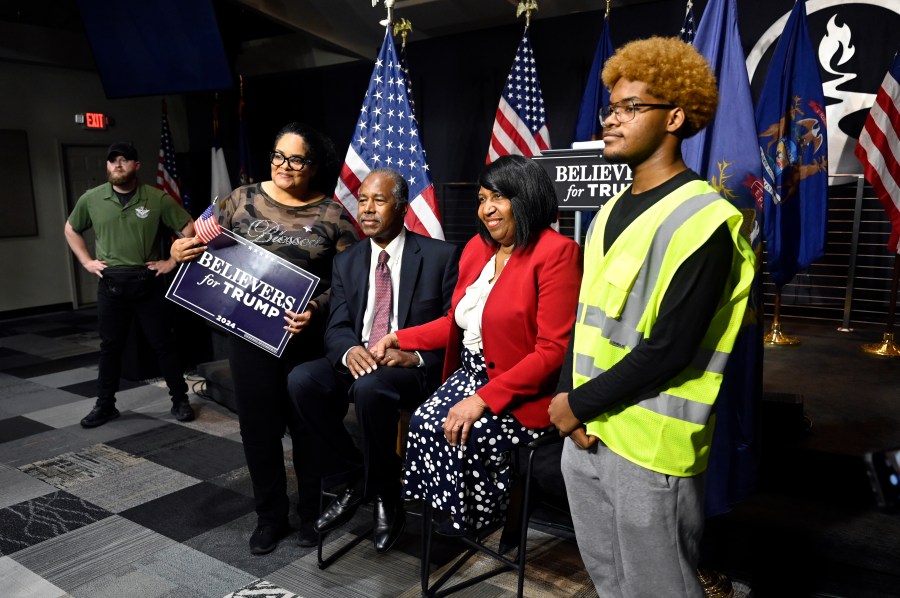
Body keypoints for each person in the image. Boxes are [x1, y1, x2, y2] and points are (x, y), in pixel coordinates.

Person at [548, 37, 756, 597]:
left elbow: (671, 348)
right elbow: (587, 319)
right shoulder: (610, 209)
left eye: (630, 107)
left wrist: (574, 405)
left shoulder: (707, 219)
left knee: (659, 589)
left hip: (650, 448)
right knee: (609, 583)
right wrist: (574, 410)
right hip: (588, 436)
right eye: (610, 108)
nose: (612, 120)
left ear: (676, 116)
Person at [171, 122, 359, 555]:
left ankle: (313, 514)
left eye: (296, 159)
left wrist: (316, 308)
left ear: (313, 166)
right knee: (259, 431)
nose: (284, 166)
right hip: (249, 337)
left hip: (304, 342)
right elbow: (192, 240)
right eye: (278, 156)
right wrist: (179, 250)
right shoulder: (240, 200)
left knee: (306, 429)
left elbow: (350, 285)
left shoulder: (333, 215)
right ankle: (270, 517)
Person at [372, 155, 582, 536]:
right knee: (424, 423)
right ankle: (452, 518)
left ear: (526, 196)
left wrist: (482, 399)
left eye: (498, 197)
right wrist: (400, 337)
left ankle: (483, 518)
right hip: (470, 374)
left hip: (522, 391)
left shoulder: (557, 253)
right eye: (482, 198)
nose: (487, 209)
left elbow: (552, 351)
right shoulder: (476, 249)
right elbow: (455, 322)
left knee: (459, 433)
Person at [286, 168, 459, 553]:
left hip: (409, 369)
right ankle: (357, 478)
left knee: (369, 388)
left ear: (400, 208)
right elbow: (338, 325)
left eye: (378, 201)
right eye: (363, 200)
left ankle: (385, 496)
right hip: (361, 360)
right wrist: (350, 350)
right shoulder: (348, 261)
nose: (367, 209)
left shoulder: (440, 256)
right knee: (302, 380)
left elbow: (454, 328)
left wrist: (413, 355)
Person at [65, 142, 195, 428]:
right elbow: (71, 228)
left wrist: (171, 261)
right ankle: (105, 405)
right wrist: (87, 261)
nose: (118, 165)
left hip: (147, 280)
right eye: (113, 161)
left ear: (136, 165)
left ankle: (179, 399)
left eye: (124, 160)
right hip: (111, 284)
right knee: (110, 346)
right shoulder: (92, 198)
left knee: (163, 343)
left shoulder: (157, 198)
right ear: (107, 166)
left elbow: (189, 230)